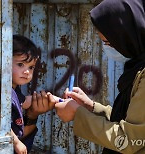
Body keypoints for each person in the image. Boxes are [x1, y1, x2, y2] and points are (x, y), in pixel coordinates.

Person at [55, 0, 145, 153]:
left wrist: (78, 114)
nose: (106, 48)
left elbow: (129, 140)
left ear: (128, 37)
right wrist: (90, 107)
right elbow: (132, 122)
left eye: (109, 43)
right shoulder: (136, 68)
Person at [11, 35, 55, 154]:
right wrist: (16, 143)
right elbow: (2, 126)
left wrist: (52, 100)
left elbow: (24, 101)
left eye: (31, 67)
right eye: (20, 65)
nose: (26, 72)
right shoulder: (5, 93)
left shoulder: (15, 90)